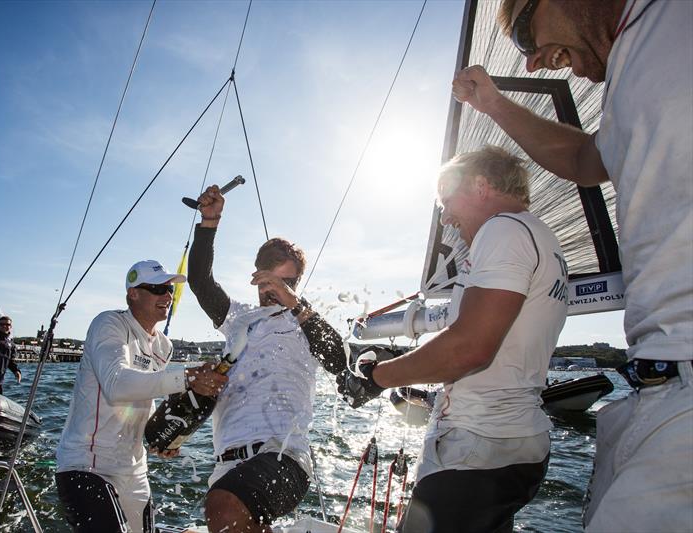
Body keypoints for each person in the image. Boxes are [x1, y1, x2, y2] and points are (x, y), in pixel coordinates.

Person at [452, 1, 693, 530]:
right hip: (652, 388)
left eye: (522, 34)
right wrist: (493, 104)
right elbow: (588, 161)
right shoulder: (627, 67)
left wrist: (380, 375)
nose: (534, 63)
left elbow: (470, 345)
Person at [340, 147, 569, 532]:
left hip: (477, 447)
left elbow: (470, 348)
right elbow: (474, 322)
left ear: (480, 186)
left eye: (447, 202)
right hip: (515, 446)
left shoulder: (503, 230)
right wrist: (398, 352)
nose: (446, 218)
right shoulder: (539, 237)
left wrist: (376, 377)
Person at [189, 184, 346, 532]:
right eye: (268, 282)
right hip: (228, 465)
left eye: (287, 283)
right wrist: (210, 222)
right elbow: (199, 281)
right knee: (229, 510)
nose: (276, 291)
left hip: (285, 458)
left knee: (224, 505)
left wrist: (295, 305)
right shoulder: (237, 319)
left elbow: (339, 361)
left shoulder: (306, 323)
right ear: (256, 276)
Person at [55, 260, 228, 533]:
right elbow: (117, 384)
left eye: (169, 290)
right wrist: (187, 377)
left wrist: (163, 435)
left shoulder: (163, 345)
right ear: (132, 293)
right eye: (158, 289)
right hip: (86, 465)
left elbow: (144, 395)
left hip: (134, 471)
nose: (167, 296)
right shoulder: (109, 323)